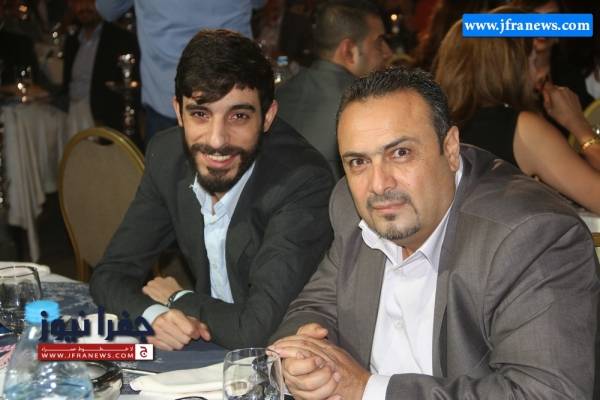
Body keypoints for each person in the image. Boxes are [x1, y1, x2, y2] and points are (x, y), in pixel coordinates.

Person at [270, 67, 599, 399]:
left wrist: (368, 390)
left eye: (400, 153)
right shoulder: (351, 204)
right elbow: (314, 306)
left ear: (451, 148)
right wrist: (304, 354)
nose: (379, 184)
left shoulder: (530, 237)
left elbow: (548, 392)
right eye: (358, 162)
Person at [89, 29, 334, 351]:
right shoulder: (168, 157)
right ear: (179, 112)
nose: (217, 140)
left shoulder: (302, 182)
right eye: (200, 114)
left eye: (239, 116)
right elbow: (110, 274)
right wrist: (153, 315)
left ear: (267, 117)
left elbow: (256, 332)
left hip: (283, 362)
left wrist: (177, 298)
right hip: (209, 349)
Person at [433, 8, 600, 214]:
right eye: (532, 61)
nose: (538, 73)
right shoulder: (522, 130)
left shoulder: (435, 123)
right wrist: (579, 126)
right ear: (511, 67)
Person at [95, 0, 266, 146]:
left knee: (168, 174)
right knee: (243, 173)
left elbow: (107, 9)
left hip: (169, 102)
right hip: (234, 94)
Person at [276, 0, 392, 179]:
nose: (387, 52)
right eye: (378, 42)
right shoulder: (366, 106)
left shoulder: (280, 94)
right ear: (348, 50)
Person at [62, 0, 139, 137]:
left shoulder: (119, 39)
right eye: (79, 2)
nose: (84, 7)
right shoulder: (72, 40)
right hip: (69, 108)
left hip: (99, 113)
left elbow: (126, 90)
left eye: (90, 1)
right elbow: (66, 85)